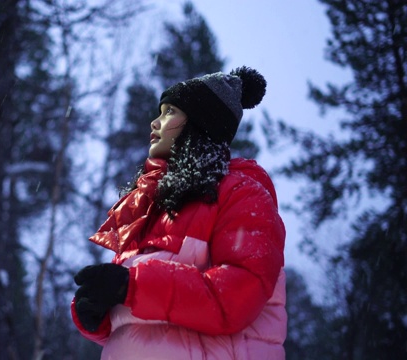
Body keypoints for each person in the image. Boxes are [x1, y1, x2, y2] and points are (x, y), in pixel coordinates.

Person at [71, 67, 286, 359]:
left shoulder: (242, 194)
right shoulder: (151, 206)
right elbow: (141, 321)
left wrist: (130, 286)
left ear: (200, 122)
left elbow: (237, 296)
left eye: (169, 111)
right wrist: (99, 317)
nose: (155, 122)